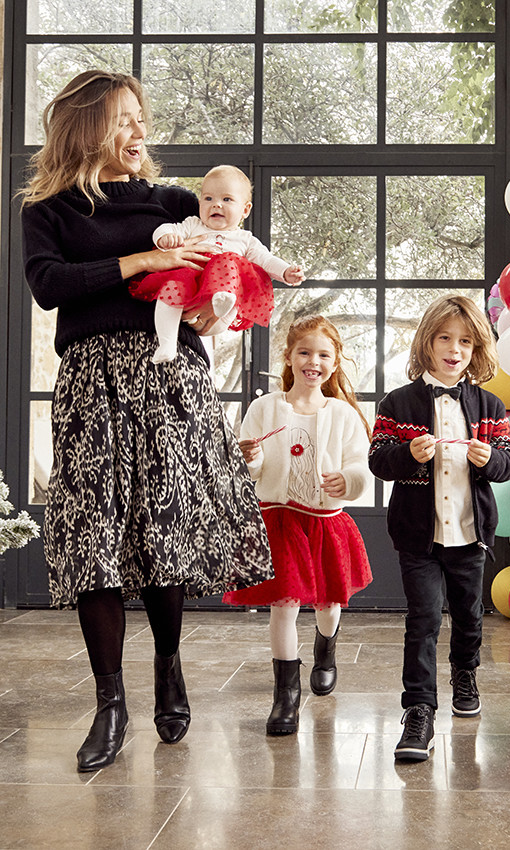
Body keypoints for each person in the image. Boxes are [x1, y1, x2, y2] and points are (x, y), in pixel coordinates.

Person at [19, 70, 274, 772]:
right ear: (87, 128)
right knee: (93, 535)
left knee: (161, 528)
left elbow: (232, 263)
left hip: (170, 380)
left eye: (141, 118)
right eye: (124, 120)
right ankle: (109, 704)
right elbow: (49, 286)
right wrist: (144, 259)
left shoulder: (173, 199)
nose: (140, 133)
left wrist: (213, 313)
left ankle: (167, 664)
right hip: (89, 381)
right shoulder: (48, 209)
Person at [369, 294, 510, 761]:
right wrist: (406, 454)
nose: (455, 350)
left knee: (470, 617)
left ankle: (465, 673)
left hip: (470, 536)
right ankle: (418, 711)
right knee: (424, 620)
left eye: (466, 342)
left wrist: (490, 459)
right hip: (418, 536)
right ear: (428, 343)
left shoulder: (490, 404)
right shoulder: (398, 402)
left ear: (477, 350)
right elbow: (378, 460)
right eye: (445, 339)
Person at [223, 315, 373, 735]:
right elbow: (248, 468)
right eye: (304, 352)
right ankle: (285, 697)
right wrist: (249, 456)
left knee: (327, 604)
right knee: (283, 606)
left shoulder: (343, 415)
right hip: (281, 520)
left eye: (323, 354)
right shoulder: (264, 408)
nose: (313, 361)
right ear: (288, 357)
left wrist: (349, 480)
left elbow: (358, 465)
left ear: (335, 361)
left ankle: (326, 650)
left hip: (325, 522)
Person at [130, 164, 304, 363]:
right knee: (170, 289)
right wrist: (165, 237)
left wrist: (285, 271)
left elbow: (266, 260)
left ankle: (223, 300)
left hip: (222, 302)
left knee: (228, 262)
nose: (216, 204)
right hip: (191, 285)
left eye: (227, 199)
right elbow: (168, 228)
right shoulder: (193, 224)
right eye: (208, 198)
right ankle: (167, 344)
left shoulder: (245, 239)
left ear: (245, 209)